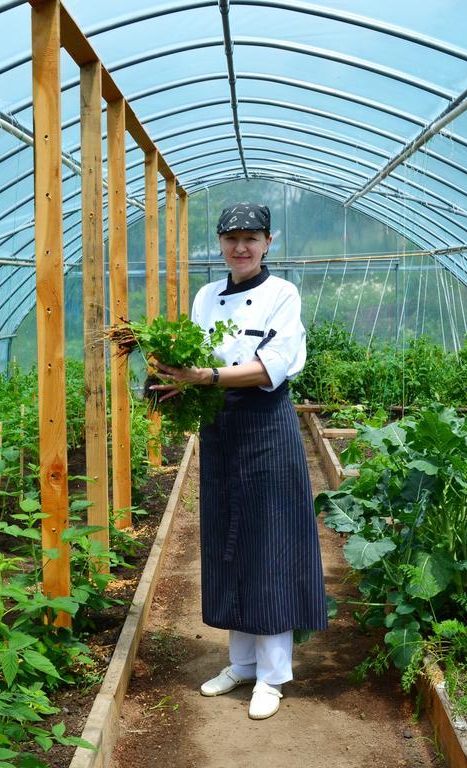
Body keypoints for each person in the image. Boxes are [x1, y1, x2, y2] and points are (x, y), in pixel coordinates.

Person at [151, 201, 328, 721]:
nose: (241, 247)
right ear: (221, 244)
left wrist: (204, 377)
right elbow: (191, 356)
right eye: (231, 238)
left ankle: (273, 676)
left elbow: (271, 365)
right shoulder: (206, 297)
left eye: (251, 238)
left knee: (269, 543)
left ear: (268, 242)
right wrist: (169, 380)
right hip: (221, 431)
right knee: (229, 541)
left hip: (267, 428)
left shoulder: (282, 294)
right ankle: (242, 663)